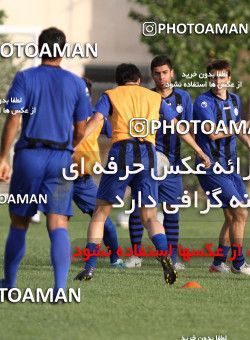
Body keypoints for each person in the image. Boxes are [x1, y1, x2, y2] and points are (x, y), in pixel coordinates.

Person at [74, 63, 211, 284]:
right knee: (150, 216)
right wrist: (199, 151)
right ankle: (165, 256)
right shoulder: (153, 97)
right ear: (139, 80)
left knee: (100, 213)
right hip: (148, 155)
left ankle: (89, 267)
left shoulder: (111, 95)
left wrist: (75, 144)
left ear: (119, 81)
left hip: (122, 153)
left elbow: (96, 121)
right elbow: (178, 127)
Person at [0, 27, 89, 297]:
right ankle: (60, 289)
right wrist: (70, 150)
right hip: (61, 158)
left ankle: (9, 285)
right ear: (63, 50)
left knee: (19, 221)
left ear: (39, 48)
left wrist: (3, 157)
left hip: (29, 157)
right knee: (58, 223)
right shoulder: (76, 83)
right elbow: (81, 129)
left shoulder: (24, 78)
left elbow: (14, 118)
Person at [193, 59, 250, 277]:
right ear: (209, 78)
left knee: (233, 216)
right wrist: (244, 125)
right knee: (240, 212)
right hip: (210, 167)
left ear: (229, 79)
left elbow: (236, 128)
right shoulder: (203, 102)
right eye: (213, 77)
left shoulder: (234, 99)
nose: (217, 81)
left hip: (230, 167)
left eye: (222, 77)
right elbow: (213, 133)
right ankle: (239, 263)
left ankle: (218, 263)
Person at [126, 56, 194, 270]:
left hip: (173, 164)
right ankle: (135, 255)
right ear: (152, 75)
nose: (161, 77)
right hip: (147, 163)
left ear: (171, 73)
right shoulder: (145, 97)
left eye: (165, 72)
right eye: (157, 73)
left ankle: (172, 257)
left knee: (172, 210)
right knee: (139, 209)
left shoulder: (184, 98)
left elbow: (188, 129)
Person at [71, 77, 125, 269]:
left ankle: (115, 258)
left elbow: (117, 133)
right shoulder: (60, 115)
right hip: (58, 178)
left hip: (82, 181)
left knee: (104, 220)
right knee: (56, 221)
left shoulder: (97, 117)